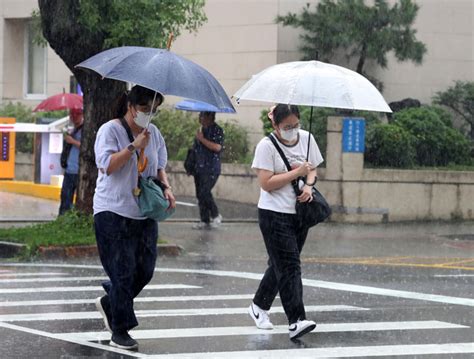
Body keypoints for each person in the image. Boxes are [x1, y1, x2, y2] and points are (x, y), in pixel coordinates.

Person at [93, 85, 176, 350]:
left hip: (144, 211)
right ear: (130, 106)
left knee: (145, 270)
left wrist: (167, 189)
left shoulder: (155, 134)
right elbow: (107, 165)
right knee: (123, 272)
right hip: (112, 211)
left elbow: (159, 166)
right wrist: (132, 146)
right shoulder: (111, 130)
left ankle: (111, 302)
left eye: (154, 111)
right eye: (144, 109)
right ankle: (120, 330)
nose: (148, 115)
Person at [248, 104, 323, 340]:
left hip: (299, 213)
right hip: (273, 213)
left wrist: (309, 185)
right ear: (275, 125)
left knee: (281, 264)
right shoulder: (266, 146)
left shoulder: (307, 139)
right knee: (290, 265)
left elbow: (313, 170)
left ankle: (258, 306)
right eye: (287, 127)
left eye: (295, 125)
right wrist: (296, 172)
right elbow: (266, 183)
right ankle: (296, 320)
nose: (292, 130)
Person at [192, 111, 224, 229]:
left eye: (202, 115)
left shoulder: (217, 130)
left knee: (205, 192)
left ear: (210, 117)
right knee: (200, 194)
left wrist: (202, 139)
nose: (200, 118)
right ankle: (204, 219)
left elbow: (217, 147)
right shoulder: (201, 130)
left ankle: (216, 214)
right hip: (199, 168)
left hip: (211, 168)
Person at [58, 108, 83, 215]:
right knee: (65, 198)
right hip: (69, 170)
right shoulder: (73, 130)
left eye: (77, 114)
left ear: (82, 115)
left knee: (75, 199)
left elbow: (88, 148)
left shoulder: (84, 130)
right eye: (72, 114)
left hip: (78, 171)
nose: (74, 117)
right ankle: (63, 218)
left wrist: (72, 141)